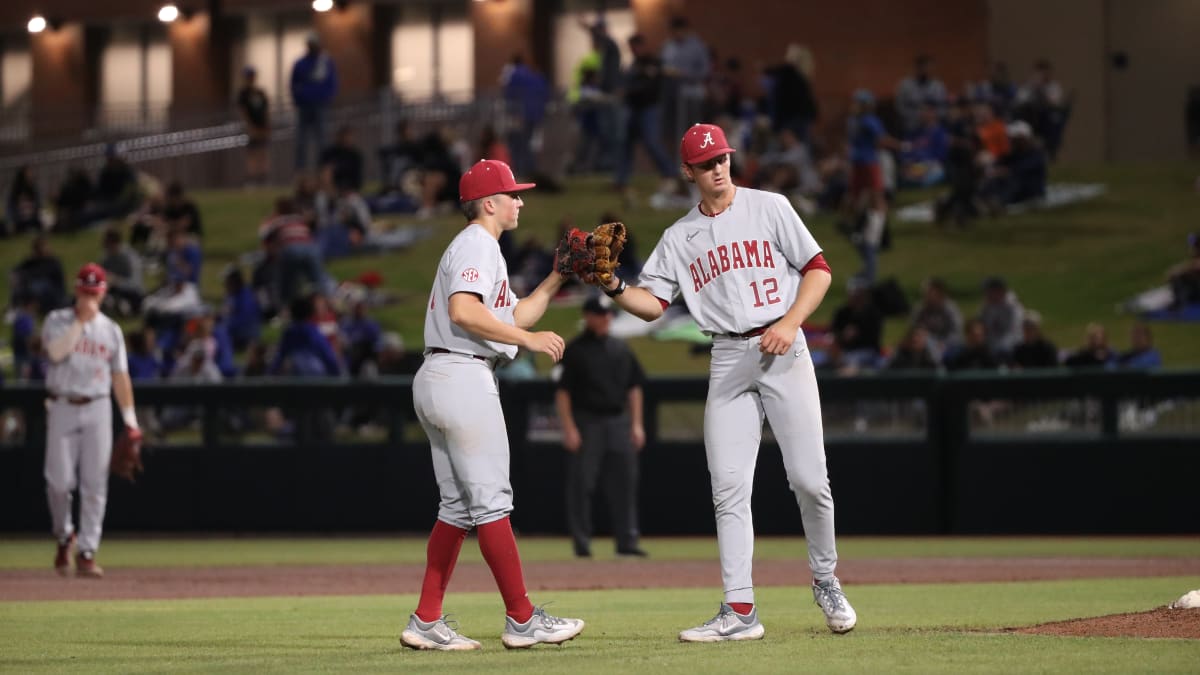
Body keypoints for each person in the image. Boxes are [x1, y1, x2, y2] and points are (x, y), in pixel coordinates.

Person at [595, 124, 856, 641]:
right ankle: (740, 610)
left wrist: (789, 322)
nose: (718, 167)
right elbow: (652, 306)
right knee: (729, 488)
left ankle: (826, 580)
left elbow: (819, 270)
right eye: (707, 162)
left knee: (810, 481)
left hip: (784, 348)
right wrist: (612, 284)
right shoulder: (679, 237)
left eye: (723, 158)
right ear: (688, 171)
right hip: (728, 357)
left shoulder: (770, 206)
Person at [400, 159, 585, 651]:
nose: (520, 201)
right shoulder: (478, 243)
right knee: (491, 502)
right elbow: (466, 312)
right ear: (489, 204)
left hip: (440, 374)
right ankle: (522, 619)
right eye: (512, 194)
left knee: (457, 507)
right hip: (461, 375)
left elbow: (507, 312)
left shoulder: (478, 248)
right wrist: (527, 339)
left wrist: (555, 279)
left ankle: (425, 620)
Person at [41, 264, 142, 577]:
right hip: (62, 403)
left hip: (98, 405)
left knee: (95, 483)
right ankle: (63, 534)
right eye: (85, 291)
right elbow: (55, 354)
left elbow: (120, 376)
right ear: (76, 290)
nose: (89, 298)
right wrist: (80, 323)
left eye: (94, 292)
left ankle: (87, 550)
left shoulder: (110, 330)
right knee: (57, 483)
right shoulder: (57, 320)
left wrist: (130, 420)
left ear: (103, 292)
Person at [555, 297, 647, 559]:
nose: (606, 318)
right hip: (588, 421)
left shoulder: (621, 348)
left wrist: (637, 424)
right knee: (582, 483)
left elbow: (634, 387)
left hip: (619, 420)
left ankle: (627, 541)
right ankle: (582, 543)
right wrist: (569, 428)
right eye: (600, 314)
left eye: (608, 314)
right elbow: (563, 393)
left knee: (625, 482)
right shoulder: (576, 350)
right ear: (588, 316)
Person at [291, 33, 339, 170]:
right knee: (302, 141)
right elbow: (294, 84)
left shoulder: (326, 62)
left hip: (321, 105)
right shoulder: (300, 63)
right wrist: (299, 98)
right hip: (304, 106)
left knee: (322, 140)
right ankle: (301, 172)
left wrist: (327, 98)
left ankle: (322, 170)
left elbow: (332, 83)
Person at [236, 65, 270, 185]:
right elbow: (243, 111)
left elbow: (266, 110)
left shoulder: (260, 92)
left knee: (263, 151)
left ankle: (263, 177)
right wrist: (250, 126)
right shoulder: (243, 94)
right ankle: (252, 178)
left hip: (262, 126)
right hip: (252, 127)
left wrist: (266, 125)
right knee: (252, 152)